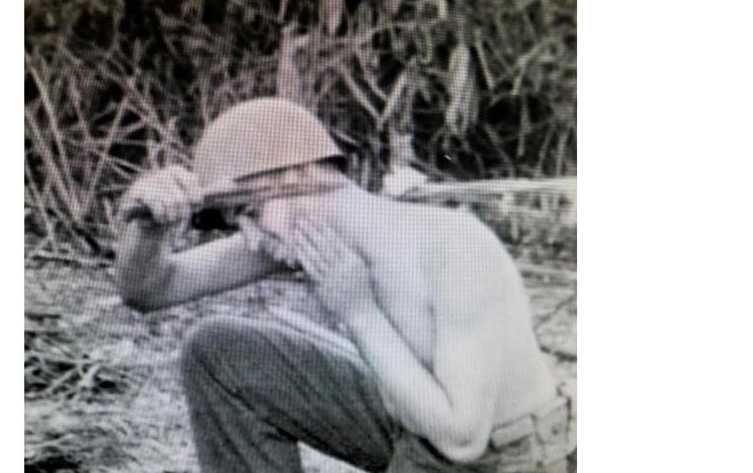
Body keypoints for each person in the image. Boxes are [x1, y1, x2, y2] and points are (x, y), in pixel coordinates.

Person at [114, 98, 572, 472]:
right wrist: (147, 229)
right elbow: (149, 290)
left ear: (295, 179)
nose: (249, 236)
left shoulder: (454, 246)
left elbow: (462, 438)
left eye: (249, 213)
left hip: (507, 460)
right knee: (217, 353)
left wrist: (357, 311)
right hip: (408, 426)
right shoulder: (298, 235)